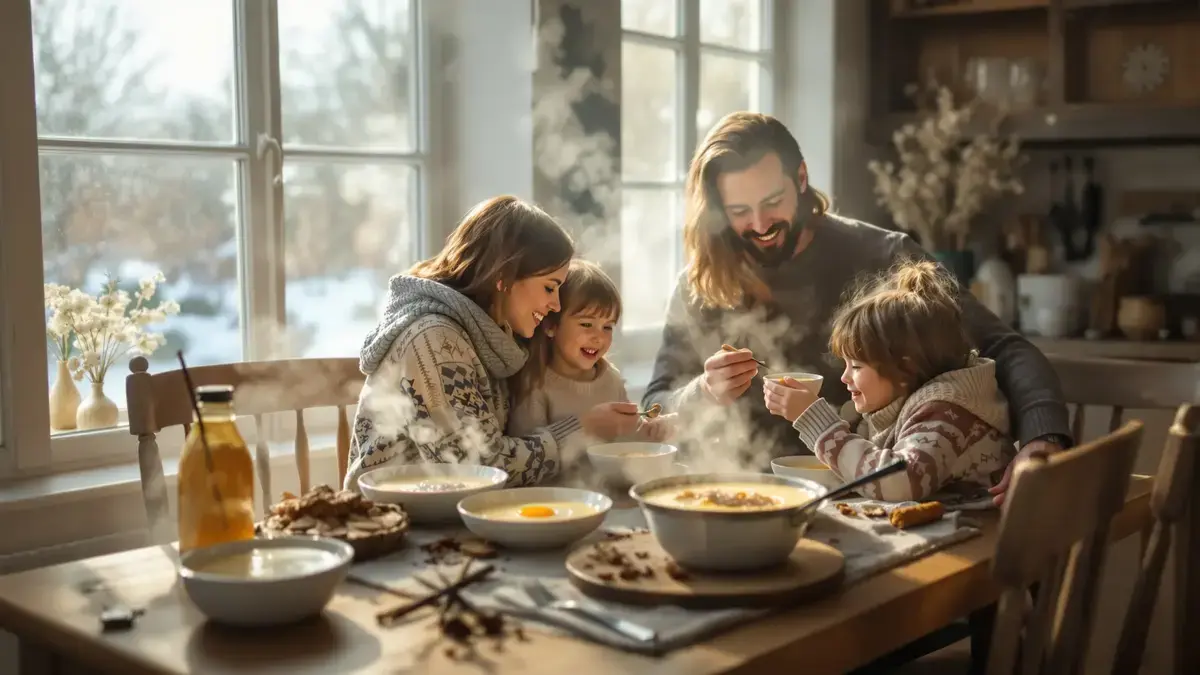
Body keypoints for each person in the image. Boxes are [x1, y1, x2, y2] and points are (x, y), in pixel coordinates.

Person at [642, 112, 1071, 506]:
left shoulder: (884, 256)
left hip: (875, 498)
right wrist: (702, 392)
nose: (760, 224)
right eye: (739, 211)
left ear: (802, 178)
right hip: (742, 497)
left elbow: (1006, 348)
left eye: (773, 201)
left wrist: (1042, 439)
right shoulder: (703, 281)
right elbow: (655, 406)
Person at [343, 196, 642, 491]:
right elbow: (481, 468)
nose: (555, 305)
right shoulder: (434, 340)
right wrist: (583, 428)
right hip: (390, 521)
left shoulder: (492, 337)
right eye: (550, 287)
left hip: (447, 512)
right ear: (504, 276)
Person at [765, 260, 1014, 508]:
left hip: (983, 535)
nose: (845, 378)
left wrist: (814, 420)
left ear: (904, 368)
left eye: (857, 366)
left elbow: (899, 482)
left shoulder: (946, 412)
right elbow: (860, 465)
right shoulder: (899, 402)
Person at [509, 259, 675, 445]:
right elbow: (530, 457)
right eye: (586, 324)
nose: (599, 337)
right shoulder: (534, 386)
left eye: (607, 327)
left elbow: (628, 438)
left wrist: (652, 431)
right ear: (550, 326)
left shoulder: (611, 380)